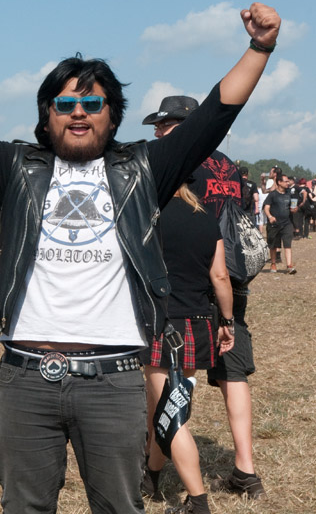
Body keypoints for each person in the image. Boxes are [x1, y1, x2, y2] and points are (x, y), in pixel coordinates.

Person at [0, 0, 280, 512]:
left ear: (112, 116)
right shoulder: (16, 168)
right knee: (24, 507)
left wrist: (260, 47)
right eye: (64, 104)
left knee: (119, 507)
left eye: (93, 104)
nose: (78, 112)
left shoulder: (145, 169)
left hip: (115, 379)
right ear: (46, 115)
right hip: (26, 377)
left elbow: (215, 113)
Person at [147, 98, 269, 499]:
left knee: (175, 379)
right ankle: (245, 469)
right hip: (231, 278)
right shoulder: (229, 166)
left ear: (181, 125)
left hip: (189, 285)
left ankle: (162, 473)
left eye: (162, 126)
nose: (157, 134)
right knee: (233, 372)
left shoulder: (182, 162)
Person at [141, 184, 235, 514]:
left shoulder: (150, 215)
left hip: (163, 324)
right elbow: (220, 276)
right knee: (168, 406)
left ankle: (198, 502)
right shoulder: (206, 218)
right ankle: (151, 476)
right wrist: (227, 320)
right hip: (197, 323)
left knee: (172, 416)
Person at [263, 174, 296, 274]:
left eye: (288, 181)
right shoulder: (272, 195)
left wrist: (294, 209)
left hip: (287, 223)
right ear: (279, 182)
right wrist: (270, 217)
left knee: (287, 244)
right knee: (273, 245)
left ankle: (289, 266)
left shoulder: (289, 194)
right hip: (274, 223)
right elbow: (266, 208)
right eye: (286, 181)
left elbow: (293, 206)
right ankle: (273, 263)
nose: (288, 183)